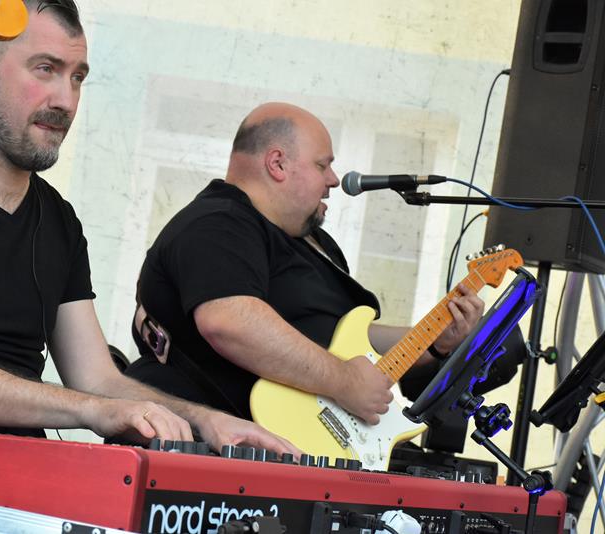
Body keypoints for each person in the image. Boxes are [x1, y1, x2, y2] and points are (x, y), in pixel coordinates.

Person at [0, 3, 296, 528]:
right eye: (45, 69)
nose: (65, 99)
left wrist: (206, 422)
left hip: (15, 477)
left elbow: (95, 377)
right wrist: (91, 410)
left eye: (77, 77)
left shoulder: (59, 221)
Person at [129, 102, 484, 424]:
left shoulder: (314, 243)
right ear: (277, 164)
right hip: (205, 446)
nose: (334, 180)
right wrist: (344, 381)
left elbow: (349, 337)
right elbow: (229, 322)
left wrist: (435, 340)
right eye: (322, 165)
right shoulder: (218, 223)